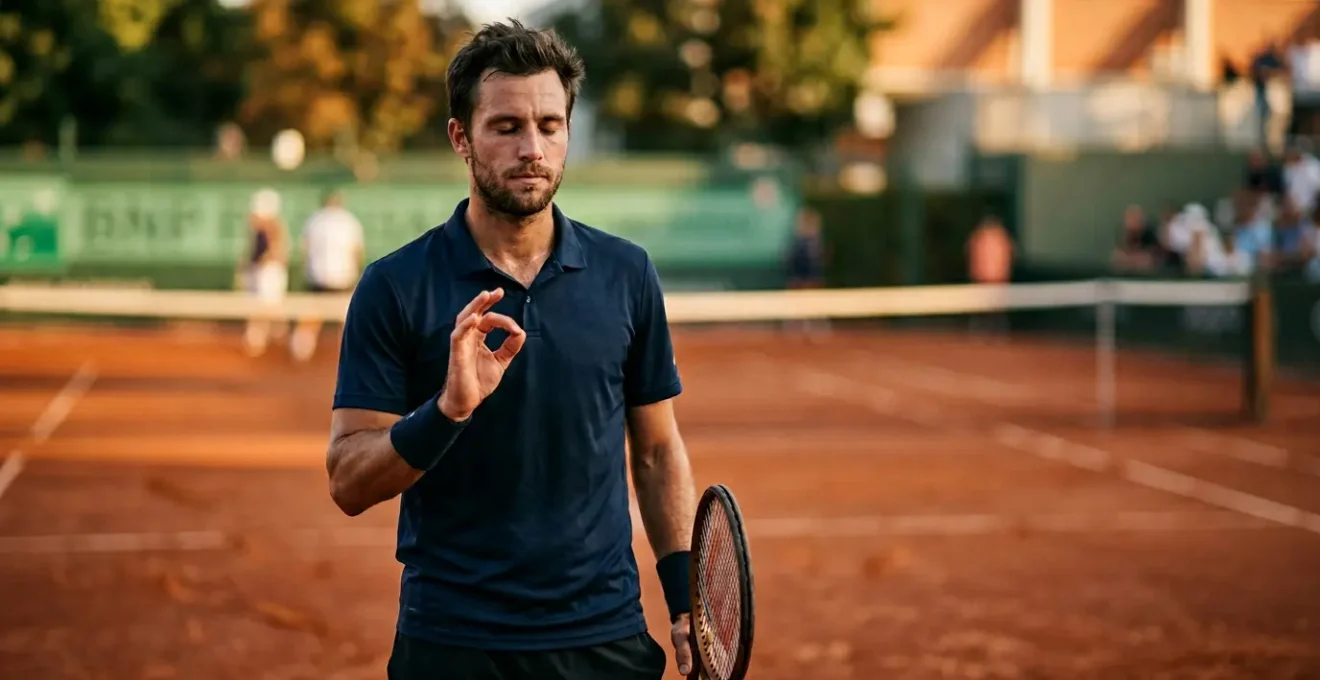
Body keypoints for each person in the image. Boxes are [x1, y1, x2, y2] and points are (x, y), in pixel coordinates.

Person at [324, 21, 697, 680]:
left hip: (604, 638)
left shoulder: (627, 274)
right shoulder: (396, 286)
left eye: (550, 126)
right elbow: (348, 481)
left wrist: (686, 599)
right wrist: (447, 410)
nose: (532, 148)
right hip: (453, 644)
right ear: (460, 138)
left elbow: (660, 450)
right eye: (506, 127)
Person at [290, 188, 365, 363]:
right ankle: (352, 358)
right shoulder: (349, 221)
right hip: (343, 277)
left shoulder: (314, 220)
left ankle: (300, 352)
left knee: (311, 316)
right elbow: (357, 251)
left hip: (317, 276)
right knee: (347, 320)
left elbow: (305, 249)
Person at [240, 188, 290, 358]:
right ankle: (262, 339)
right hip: (263, 271)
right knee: (263, 308)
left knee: (268, 308)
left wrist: (265, 262)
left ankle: (268, 341)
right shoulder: (261, 228)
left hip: (269, 273)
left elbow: (278, 251)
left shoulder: (273, 227)